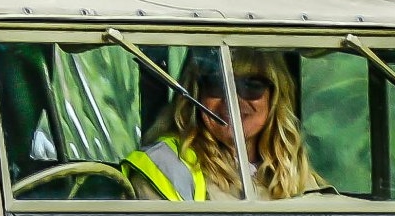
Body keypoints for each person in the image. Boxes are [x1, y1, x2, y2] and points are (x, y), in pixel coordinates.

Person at [124, 48, 322, 202]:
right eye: (217, 84)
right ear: (195, 93)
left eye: (252, 85)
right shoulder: (166, 166)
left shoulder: (293, 169)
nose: (233, 99)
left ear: (275, 97)